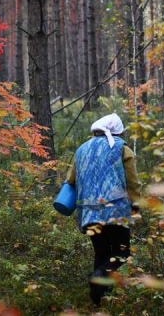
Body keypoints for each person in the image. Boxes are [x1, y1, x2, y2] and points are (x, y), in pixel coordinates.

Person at [65, 113, 141, 305]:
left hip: (88, 212)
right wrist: (136, 204)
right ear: (117, 130)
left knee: (101, 252)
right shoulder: (122, 148)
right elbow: (132, 181)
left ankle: (99, 299)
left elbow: (70, 181)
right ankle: (98, 278)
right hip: (116, 212)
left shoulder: (81, 150)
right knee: (121, 254)